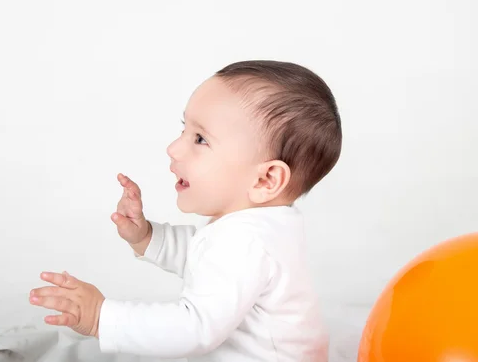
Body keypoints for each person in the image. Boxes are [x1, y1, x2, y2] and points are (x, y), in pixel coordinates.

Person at [30, 60, 342, 361]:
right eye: (184, 129)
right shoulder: (260, 227)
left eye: (201, 139)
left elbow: (195, 328)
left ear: (266, 179)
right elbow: (204, 257)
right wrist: (149, 237)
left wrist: (101, 317)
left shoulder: (246, 241)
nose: (174, 148)